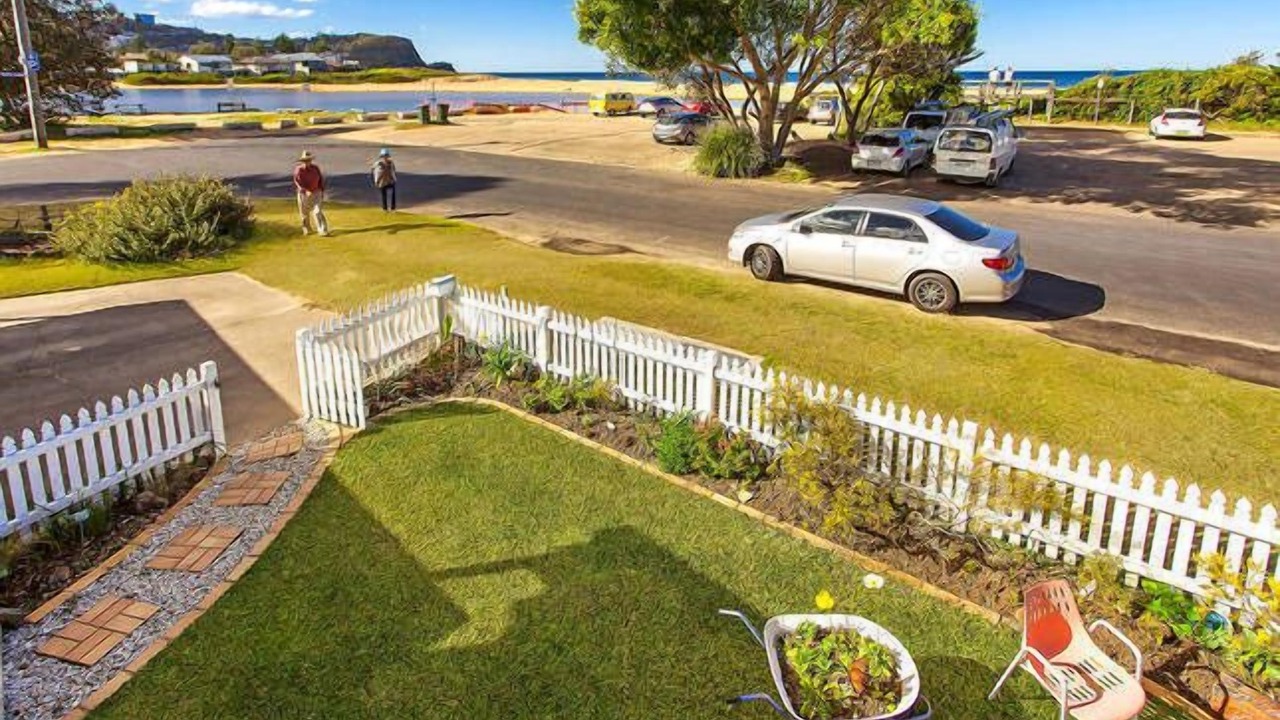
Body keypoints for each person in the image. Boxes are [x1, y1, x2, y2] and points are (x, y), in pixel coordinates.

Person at [293, 150, 329, 237]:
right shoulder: (299, 170)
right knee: (304, 213)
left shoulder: (315, 168)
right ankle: (307, 229)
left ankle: (322, 229)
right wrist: (305, 190)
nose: (307, 162)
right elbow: (298, 182)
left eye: (308, 160)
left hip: (316, 192)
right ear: (302, 162)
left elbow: (320, 180)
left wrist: (322, 190)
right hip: (303, 194)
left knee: (317, 211)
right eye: (305, 161)